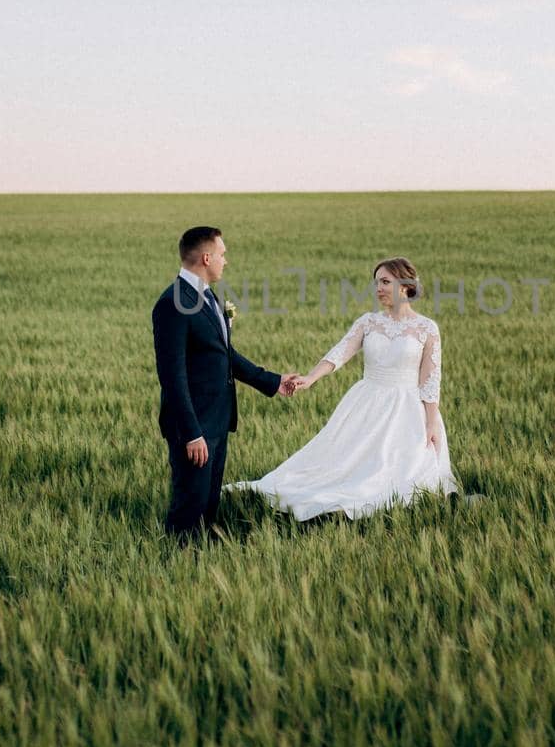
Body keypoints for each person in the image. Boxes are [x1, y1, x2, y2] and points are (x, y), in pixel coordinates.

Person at [228, 256, 457, 520]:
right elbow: (340, 352)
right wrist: (312, 377)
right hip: (367, 402)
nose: (378, 289)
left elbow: (430, 379)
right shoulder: (368, 322)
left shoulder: (427, 328)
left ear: (406, 285)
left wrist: (430, 423)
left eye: (385, 282)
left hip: (408, 409)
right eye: (376, 283)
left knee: (403, 473)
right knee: (344, 463)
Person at [151, 226, 300, 540]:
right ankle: (176, 565)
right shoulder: (174, 302)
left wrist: (273, 381)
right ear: (206, 257)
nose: (225, 261)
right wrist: (192, 433)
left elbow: (224, 355)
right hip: (195, 427)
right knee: (189, 507)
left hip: (217, 419)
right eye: (222, 254)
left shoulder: (207, 296)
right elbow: (172, 376)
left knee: (208, 504)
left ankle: (201, 564)